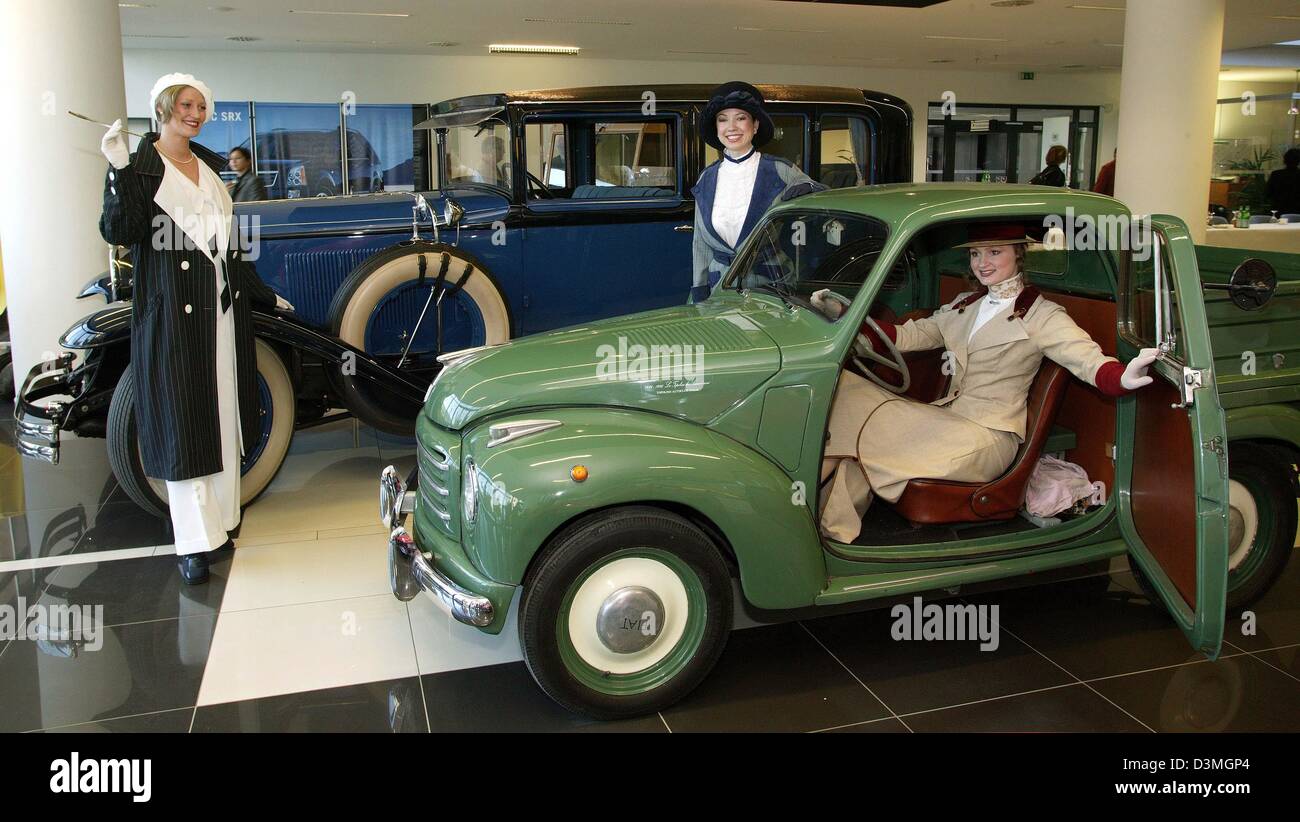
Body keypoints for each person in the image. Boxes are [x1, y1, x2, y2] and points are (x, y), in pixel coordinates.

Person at [811, 223, 1159, 543]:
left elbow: (1085, 357)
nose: (983, 263)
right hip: (947, 419)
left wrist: (1122, 377)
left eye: (995, 252)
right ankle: (829, 531)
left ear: (1018, 255)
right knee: (845, 388)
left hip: (987, 437)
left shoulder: (1040, 314)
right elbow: (908, 336)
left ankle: (805, 505)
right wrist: (847, 318)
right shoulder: (966, 304)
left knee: (861, 435)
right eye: (976, 254)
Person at [99, 73, 290, 584]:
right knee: (185, 421)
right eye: (187, 104)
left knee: (223, 416)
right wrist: (117, 169)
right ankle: (192, 541)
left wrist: (263, 293)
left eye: (201, 106)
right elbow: (121, 231)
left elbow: (227, 243)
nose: (196, 113)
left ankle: (222, 523)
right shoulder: (139, 165)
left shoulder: (206, 165)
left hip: (222, 313)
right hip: (174, 314)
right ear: (164, 107)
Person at [689, 81, 823, 303]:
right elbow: (699, 243)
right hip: (719, 287)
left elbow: (819, 194)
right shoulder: (707, 177)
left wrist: (808, 189)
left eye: (740, 118)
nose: (731, 127)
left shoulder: (780, 169)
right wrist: (699, 289)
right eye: (723, 119)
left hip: (770, 286)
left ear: (756, 125)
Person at [1266, 147, 1300, 216]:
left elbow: (1268, 193)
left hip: (1278, 210)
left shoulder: (1276, 174)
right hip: (1297, 211)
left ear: (1284, 160)